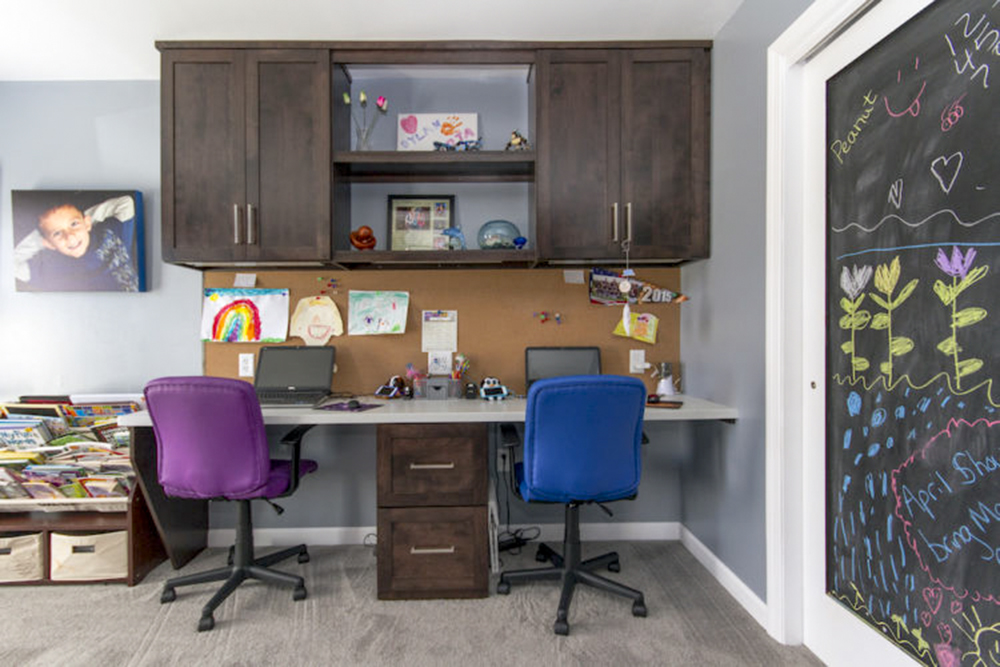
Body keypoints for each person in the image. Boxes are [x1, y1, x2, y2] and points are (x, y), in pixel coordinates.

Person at [13, 194, 141, 292]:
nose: (70, 236)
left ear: (88, 222)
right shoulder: (52, 270)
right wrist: (41, 239)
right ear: (48, 243)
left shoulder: (112, 234)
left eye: (74, 224)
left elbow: (125, 203)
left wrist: (84, 221)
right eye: (57, 233)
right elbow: (10, 264)